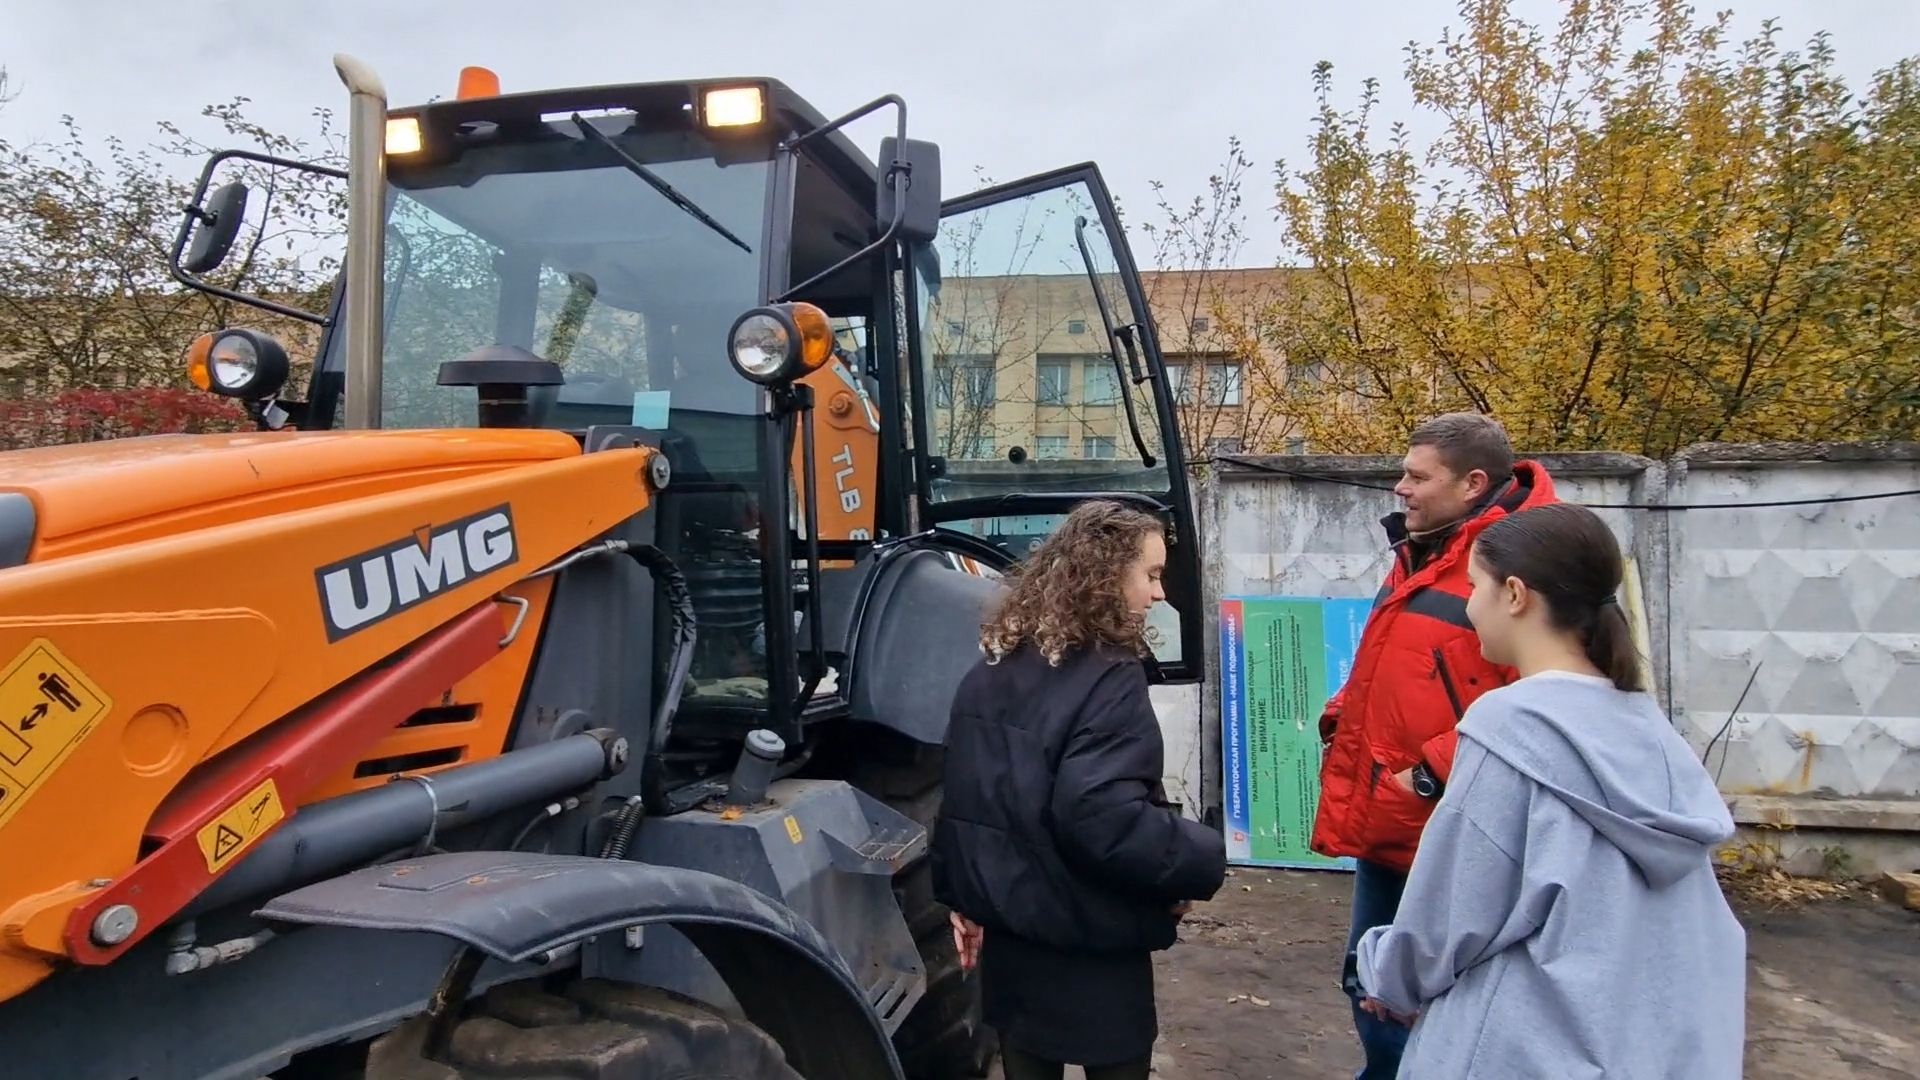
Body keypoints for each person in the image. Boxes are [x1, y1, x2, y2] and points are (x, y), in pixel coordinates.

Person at [1355, 502, 1746, 1078]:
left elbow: (1448, 918)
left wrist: (1384, 974)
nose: (1468, 606)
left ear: (1515, 595)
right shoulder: (1650, 731)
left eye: (1474, 587)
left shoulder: (1511, 729)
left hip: (1530, 1048)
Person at [930, 500, 1227, 1080]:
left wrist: (964, 894)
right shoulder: (1108, 673)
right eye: (1152, 574)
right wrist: (1193, 861)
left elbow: (967, 792)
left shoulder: (996, 660)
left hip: (1016, 942)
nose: (1158, 594)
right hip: (1089, 939)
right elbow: (1100, 815)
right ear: (1106, 574)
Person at [1309, 411, 1558, 1078]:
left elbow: (1544, 693)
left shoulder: (1523, 563)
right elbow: (1401, 662)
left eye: (1417, 476)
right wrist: (1343, 717)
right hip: (1392, 821)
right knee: (1370, 976)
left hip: (1453, 831)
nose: (1400, 488)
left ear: (1473, 483)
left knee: (1420, 997)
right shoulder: (1424, 548)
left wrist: (1430, 772)